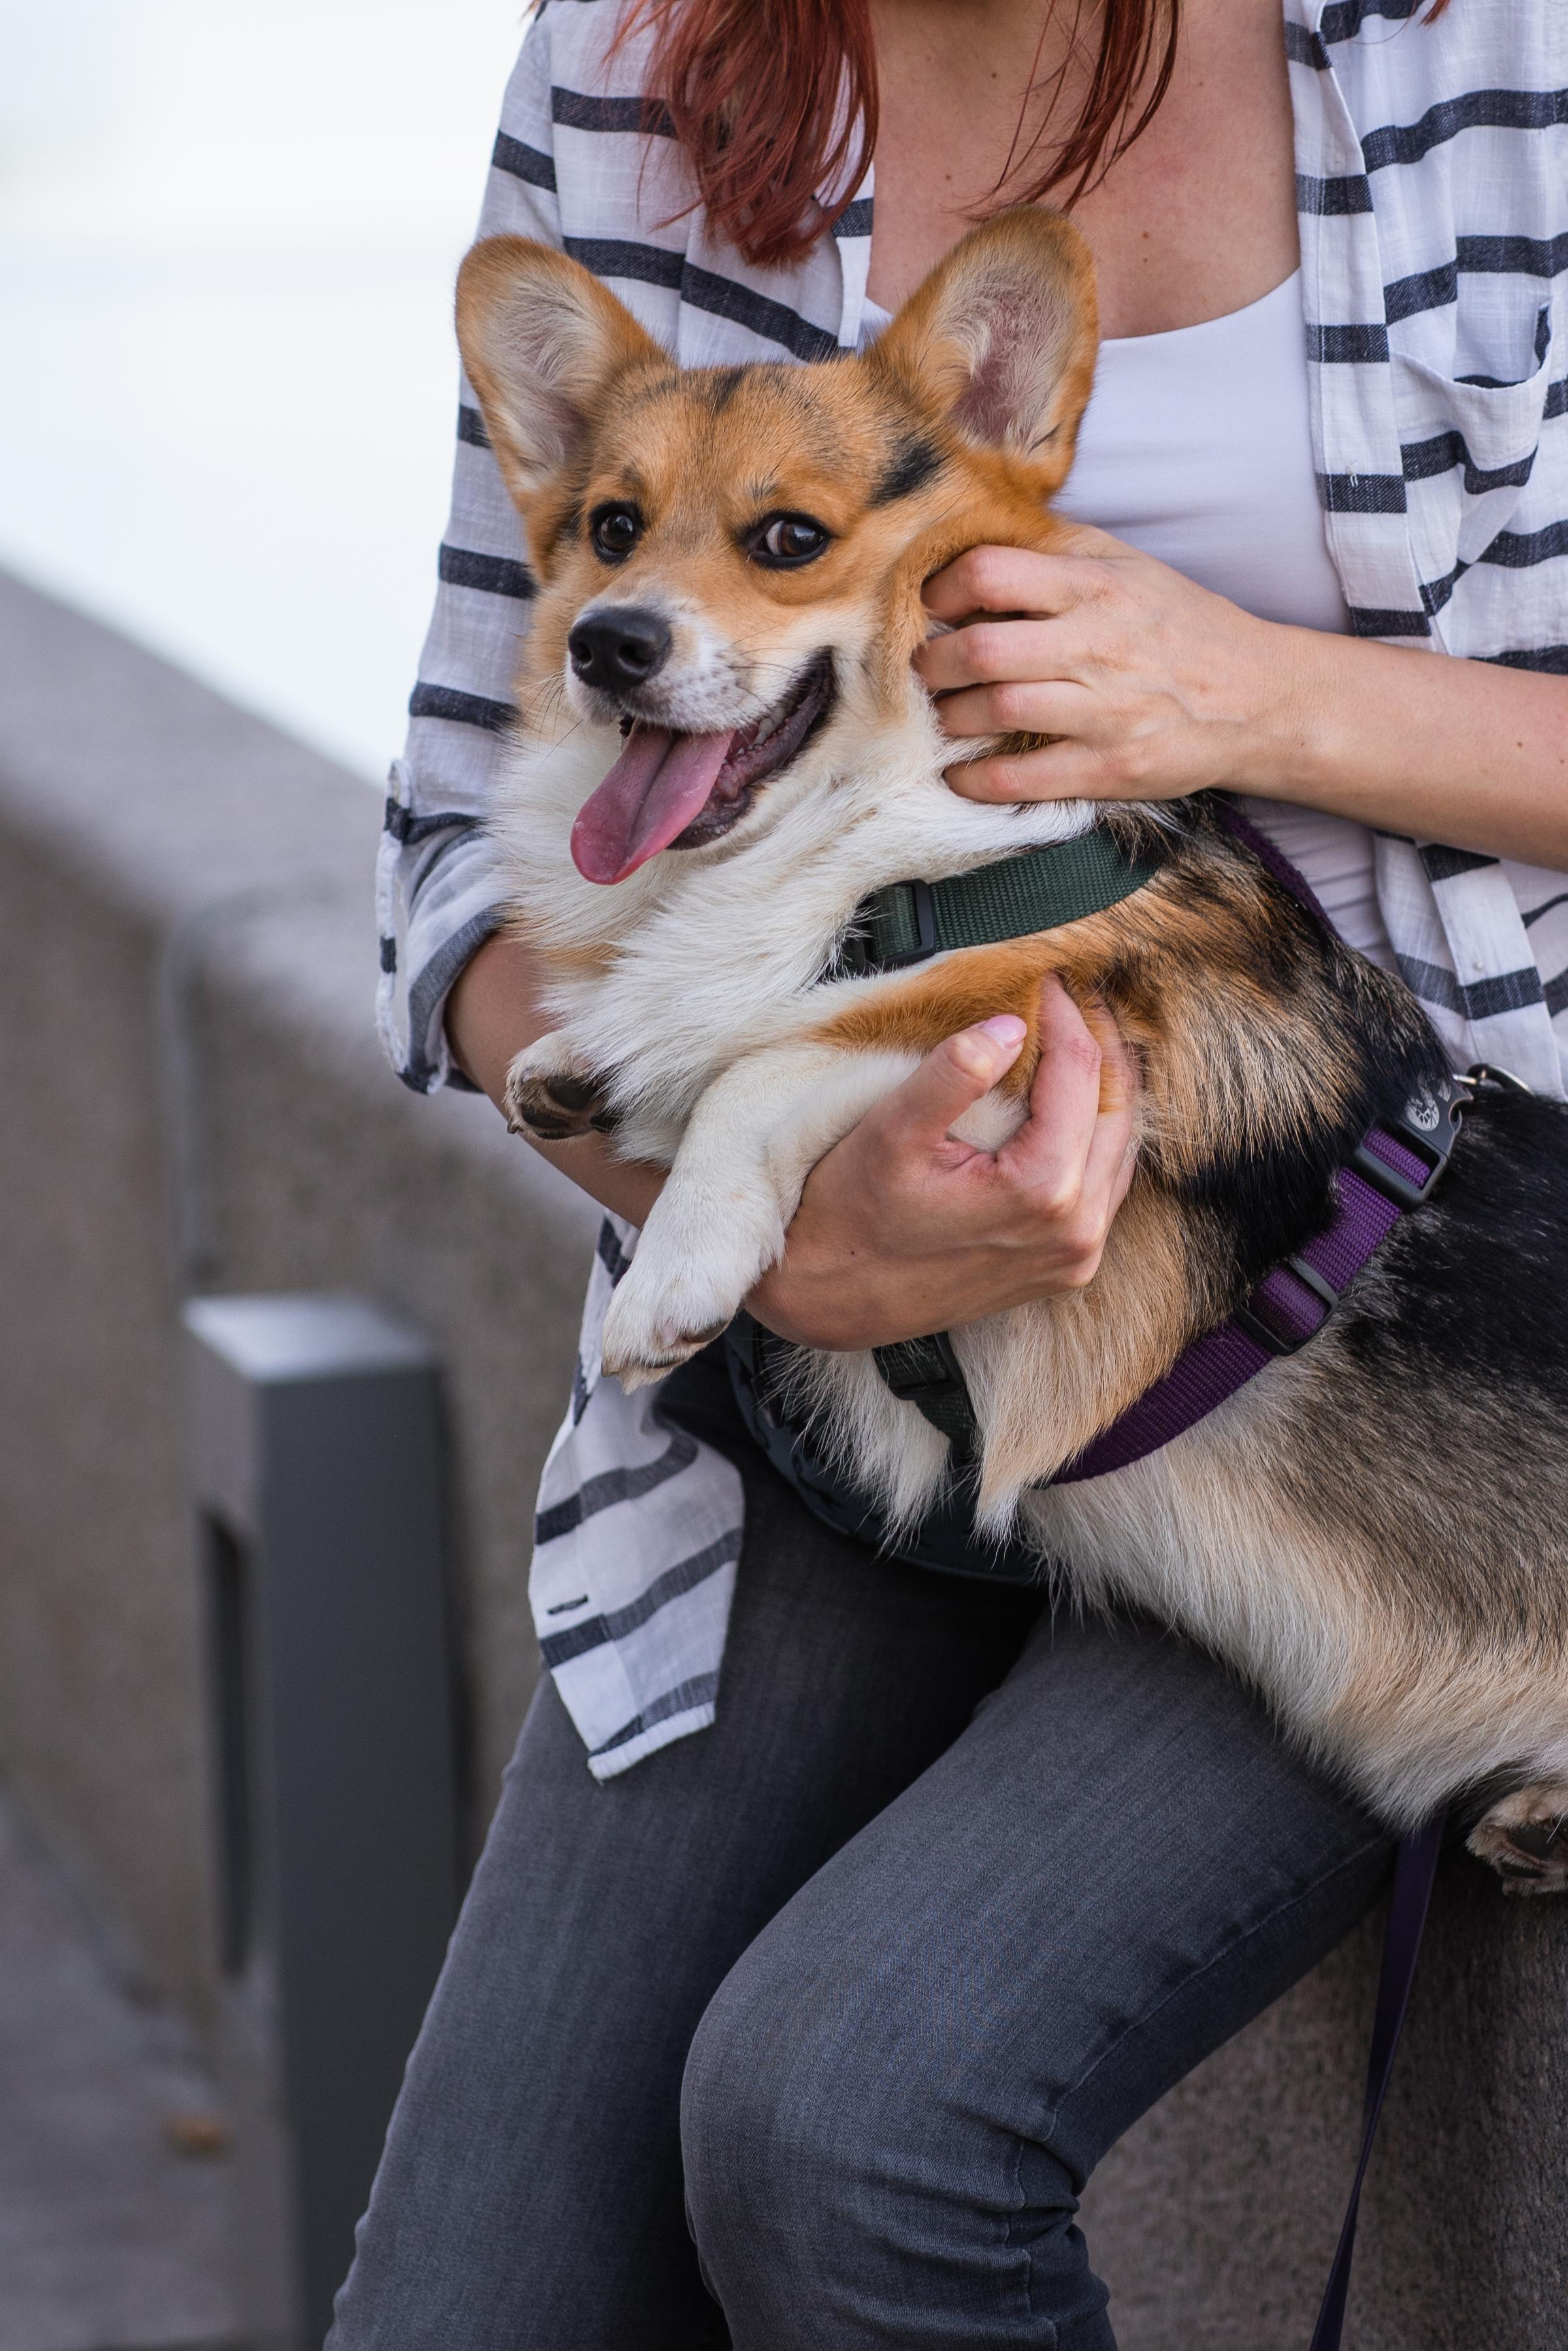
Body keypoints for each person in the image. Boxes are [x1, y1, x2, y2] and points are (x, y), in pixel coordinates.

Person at [338, 1, 1568, 2342]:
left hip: (1380, 1323)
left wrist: (1256, 700)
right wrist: (745, 1219)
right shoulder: (640, 47)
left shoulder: (1503, 52)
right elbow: (450, 855)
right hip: (819, 1342)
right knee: (465, 2306)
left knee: (852, 2131)